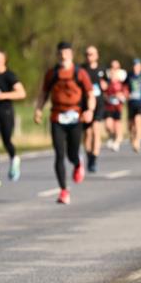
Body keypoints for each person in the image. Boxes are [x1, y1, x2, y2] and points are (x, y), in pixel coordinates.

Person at [34, 41, 95, 205]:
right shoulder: (52, 74)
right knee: (59, 154)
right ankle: (63, 190)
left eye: (66, 52)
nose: (63, 56)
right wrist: (38, 110)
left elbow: (90, 94)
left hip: (75, 116)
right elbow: (43, 93)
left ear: (71, 54)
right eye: (61, 53)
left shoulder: (80, 73)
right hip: (57, 116)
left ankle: (77, 162)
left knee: (71, 153)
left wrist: (90, 110)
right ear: (57, 55)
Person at [0, 51, 26, 185]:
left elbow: (21, 93)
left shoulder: (9, 75)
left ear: (4, 61)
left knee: (6, 140)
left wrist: (3, 96)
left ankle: (14, 158)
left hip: (6, 112)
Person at [81, 45, 108, 173]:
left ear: (96, 55)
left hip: (99, 104)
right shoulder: (82, 69)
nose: (89, 56)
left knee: (96, 130)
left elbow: (107, 84)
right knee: (88, 133)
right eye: (87, 54)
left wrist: (105, 85)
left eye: (91, 54)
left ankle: (94, 159)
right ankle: (89, 156)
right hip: (85, 104)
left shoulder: (102, 69)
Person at [103, 59, 128, 152]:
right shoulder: (107, 81)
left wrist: (121, 95)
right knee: (108, 125)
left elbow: (125, 94)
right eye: (112, 67)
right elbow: (104, 93)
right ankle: (112, 136)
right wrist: (106, 97)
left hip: (117, 107)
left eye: (116, 68)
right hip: (108, 106)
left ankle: (117, 141)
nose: (114, 70)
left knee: (117, 126)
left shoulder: (122, 82)